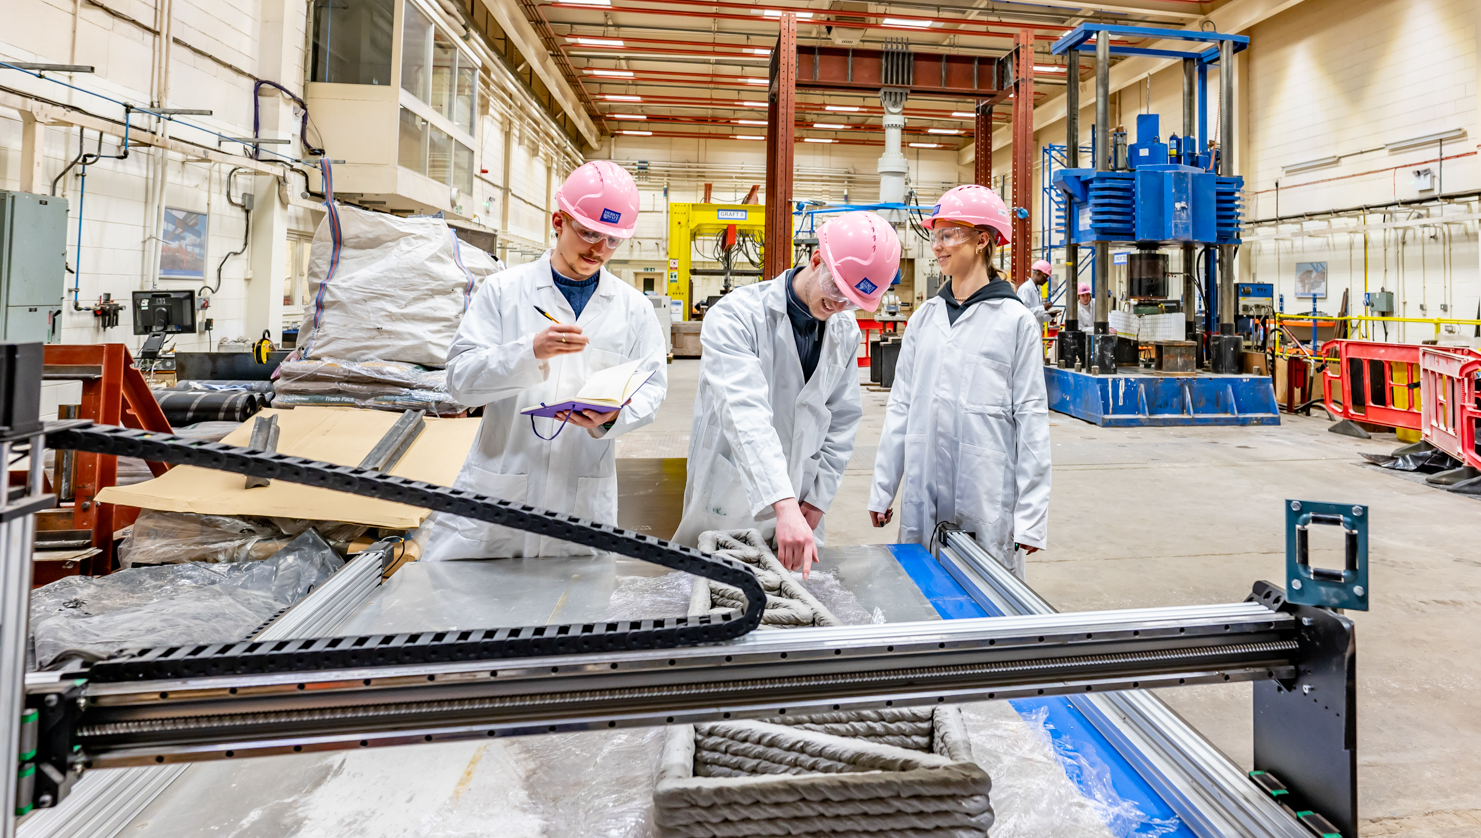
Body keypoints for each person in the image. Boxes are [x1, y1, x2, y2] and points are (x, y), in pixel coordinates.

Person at [431, 160, 667, 560]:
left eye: (612, 240)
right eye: (589, 232)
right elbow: (460, 383)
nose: (599, 249)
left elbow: (652, 389)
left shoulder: (634, 309)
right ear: (558, 221)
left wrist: (612, 417)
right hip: (500, 493)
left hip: (583, 503)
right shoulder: (503, 292)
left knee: (575, 595)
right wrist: (528, 353)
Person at [676, 212, 901, 576]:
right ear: (816, 260)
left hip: (802, 504)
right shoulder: (736, 316)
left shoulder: (844, 330)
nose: (839, 305)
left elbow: (842, 420)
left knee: (796, 599)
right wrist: (783, 504)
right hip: (731, 498)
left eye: (852, 300)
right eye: (836, 289)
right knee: (718, 592)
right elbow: (745, 414)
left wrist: (817, 501)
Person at [870, 185, 1051, 575]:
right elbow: (901, 405)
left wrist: (1032, 516)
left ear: (982, 239)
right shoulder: (925, 318)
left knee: (986, 591)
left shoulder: (1015, 321)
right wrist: (883, 488)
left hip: (985, 491)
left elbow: (1032, 419)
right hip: (923, 488)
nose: (937, 246)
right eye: (935, 236)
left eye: (948, 235)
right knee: (920, 587)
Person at [1024, 258, 1053, 327]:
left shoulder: (1037, 290)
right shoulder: (1026, 288)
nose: (1046, 280)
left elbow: (1038, 318)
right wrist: (1043, 308)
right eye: (1046, 276)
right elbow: (1024, 313)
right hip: (1028, 331)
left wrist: (1050, 316)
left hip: (1036, 330)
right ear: (1038, 273)